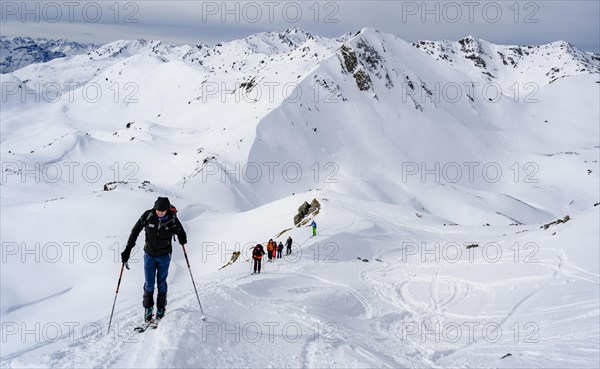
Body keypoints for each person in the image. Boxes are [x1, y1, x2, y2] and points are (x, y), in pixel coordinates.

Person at [121, 197, 187, 322]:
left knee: (161, 283)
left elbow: (180, 231)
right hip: (149, 255)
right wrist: (127, 250)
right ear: (155, 208)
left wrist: (182, 237)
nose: (160, 213)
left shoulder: (172, 218)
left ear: (167, 210)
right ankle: (148, 309)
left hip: (164, 256)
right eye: (158, 210)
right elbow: (135, 232)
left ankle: (161, 308)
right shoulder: (148, 215)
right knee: (149, 284)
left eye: (163, 211)